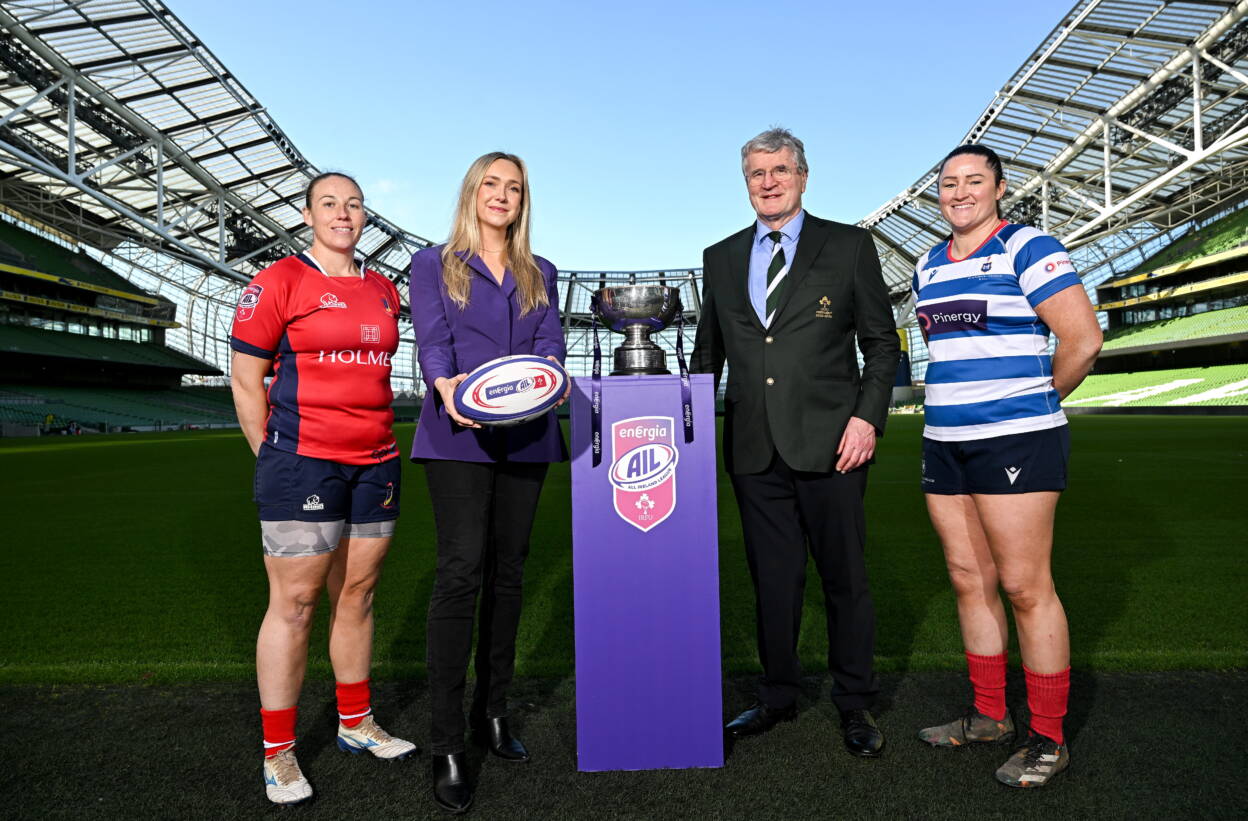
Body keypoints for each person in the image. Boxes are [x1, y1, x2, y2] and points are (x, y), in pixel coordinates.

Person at [691, 128, 900, 757]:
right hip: (754, 451)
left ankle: (855, 703)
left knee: (845, 579)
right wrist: (685, 427)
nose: (769, 181)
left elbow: (882, 344)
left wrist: (866, 420)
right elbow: (708, 353)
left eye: (781, 169)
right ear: (746, 182)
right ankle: (777, 693)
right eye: (757, 172)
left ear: (803, 176)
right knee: (773, 583)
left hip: (835, 444)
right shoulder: (721, 256)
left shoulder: (849, 245)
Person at [912, 144, 1101, 788]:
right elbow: (951, 352)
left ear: (998, 188)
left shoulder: (1028, 246)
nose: (959, 192)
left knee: (1026, 587)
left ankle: (1048, 737)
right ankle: (988, 716)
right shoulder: (927, 264)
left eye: (973, 181)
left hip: (1016, 440)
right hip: (944, 439)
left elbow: (1082, 339)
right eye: (948, 183)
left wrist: (1033, 404)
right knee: (969, 578)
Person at [230, 172, 416, 806]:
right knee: (297, 602)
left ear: (365, 217)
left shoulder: (384, 289)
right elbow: (246, 381)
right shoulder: (280, 280)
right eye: (330, 204)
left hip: (379, 462)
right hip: (303, 464)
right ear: (308, 215)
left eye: (354, 204)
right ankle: (278, 753)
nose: (344, 213)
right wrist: (275, 458)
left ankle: (356, 723)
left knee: (358, 594)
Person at [409, 151, 567, 814]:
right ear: (473, 192)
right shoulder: (433, 262)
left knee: (509, 575)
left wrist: (550, 376)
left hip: (526, 436)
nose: (502, 195)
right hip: (457, 435)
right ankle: (447, 742)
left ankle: (492, 712)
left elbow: (551, 344)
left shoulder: (541, 272)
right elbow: (433, 340)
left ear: (522, 200)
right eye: (491, 184)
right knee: (460, 572)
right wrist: (447, 386)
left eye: (514, 188)